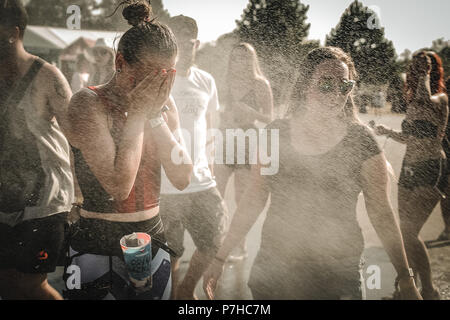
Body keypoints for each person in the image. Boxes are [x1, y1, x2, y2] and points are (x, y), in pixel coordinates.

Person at [203, 47, 422, 300]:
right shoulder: (276, 134)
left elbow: (382, 214)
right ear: (306, 85)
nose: (337, 94)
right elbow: (253, 199)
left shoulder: (362, 142)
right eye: (326, 84)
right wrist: (220, 257)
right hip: (275, 268)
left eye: (345, 86)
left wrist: (406, 280)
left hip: (338, 270)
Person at [64, 1, 192, 300]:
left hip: (152, 234)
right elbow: (119, 187)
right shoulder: (87, 103)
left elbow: (183, 176)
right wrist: (137, 115)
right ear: (120, 62)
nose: (154, 85)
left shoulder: (164, 105)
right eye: (146, 75)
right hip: (95, 241)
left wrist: (155, 116)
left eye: (163, 76)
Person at [0, 0, 74, 300]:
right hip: (5, 200)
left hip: (45, 202)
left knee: (29, 286)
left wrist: (83, 199)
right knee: (5, 284)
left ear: (12, 33)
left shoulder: (46, 75)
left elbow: (79, 137)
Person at [158, 15, 228, 300]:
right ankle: (175, 294)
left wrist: (212, 169)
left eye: (188, 43)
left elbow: (212, 129)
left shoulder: (206, 81)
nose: (182, 49)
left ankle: (187, 288)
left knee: (214, 241)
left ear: (196, 43)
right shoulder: (158, 78)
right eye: (176, 43)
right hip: (166, 184)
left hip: (202, 182)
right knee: (171, 250)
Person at [374, 51, 448, 299]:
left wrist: (425, 75)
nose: (418, 70)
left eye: (424, 67)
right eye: (415, 66)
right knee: (402, 232)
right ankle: (411, 288)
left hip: (431, 168)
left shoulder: (440, 99)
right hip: (409, 168)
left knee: (408, 231)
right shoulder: (412, 104)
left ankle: (428, 290)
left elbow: (426, 99)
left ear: (432, 71)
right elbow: (410, 138)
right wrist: (387, 131)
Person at [216, 43, 274, 261]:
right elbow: (218, 109)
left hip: (248, 142)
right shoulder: (226, 82)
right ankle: (216, 242)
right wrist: (224, 117)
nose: (239, 62)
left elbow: (270, 118)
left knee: (241, 198)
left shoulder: (260, 84)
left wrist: (250, 112)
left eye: (244, 58)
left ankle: (240, 247)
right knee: (216, 195)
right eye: (235, 58)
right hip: (225, 139)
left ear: (251, 60)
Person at [437, 75, 450, 241]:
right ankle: (447, 228)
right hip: (445, 155)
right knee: (445, 194)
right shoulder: (442, 107)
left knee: (445, 194)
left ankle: (448, 229)